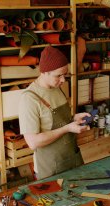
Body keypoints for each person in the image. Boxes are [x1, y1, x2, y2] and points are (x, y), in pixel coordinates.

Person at [19, 46, 90, 180]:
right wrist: (67, 128)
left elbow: (61, 121)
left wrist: (74, 119)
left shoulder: (56, 88)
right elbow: (33, 142)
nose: (63, 80)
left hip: (72, 158)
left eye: (65, 74)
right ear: (44, 72)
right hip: (51, 166)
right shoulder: (30, 98)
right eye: (59, 75)